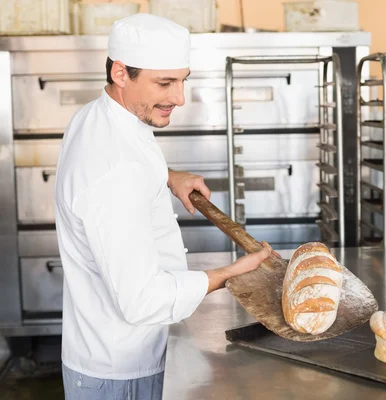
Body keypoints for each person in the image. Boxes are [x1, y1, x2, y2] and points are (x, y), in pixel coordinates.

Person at [54, 13, 273, 400]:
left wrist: (166, 174)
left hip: (105, 349)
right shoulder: (115, 173)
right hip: (120, 371)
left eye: (183, 79)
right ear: (121, 73)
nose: (179, 98)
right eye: (165, 83)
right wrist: (231, 273)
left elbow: (122, 163)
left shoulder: (98, 115)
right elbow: (143, 301)